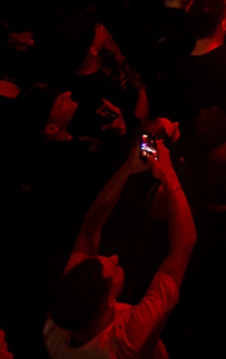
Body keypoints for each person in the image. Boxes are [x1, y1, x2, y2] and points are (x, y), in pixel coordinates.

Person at [44, 135, 196, 359]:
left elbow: (89, 230)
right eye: (114, 268)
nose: (115, 257)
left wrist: (127, 170)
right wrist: (167, 173)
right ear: (109, 301)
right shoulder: (125, 341)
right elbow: (183, 246)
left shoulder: (57, 323)